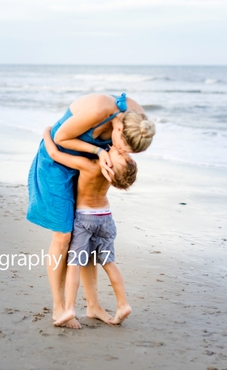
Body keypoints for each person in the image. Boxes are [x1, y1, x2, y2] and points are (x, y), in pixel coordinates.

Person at [27, 92, 155, 327]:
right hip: (58, 163)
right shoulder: (99, 111)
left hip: (86, 166)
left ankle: (93, 305)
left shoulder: (138, 122)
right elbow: (58, 141)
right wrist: (99, 151)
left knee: (84, 243)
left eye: (128, 153)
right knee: (64, 235)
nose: (123, 152)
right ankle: (59, 307)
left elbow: (122, 155)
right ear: (118, 130)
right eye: (123, 148)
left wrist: (113, 161)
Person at [41, 127, 136, 328]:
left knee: (74, 263)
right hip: (106, 218)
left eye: (118, 153)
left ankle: (69, 308)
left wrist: (46, 134)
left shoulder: (90, 165)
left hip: (85, 219)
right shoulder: (111, 177)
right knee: (109, 262)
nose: (118, 149)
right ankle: (123, 304)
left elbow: (54, 153)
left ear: (109, 167)